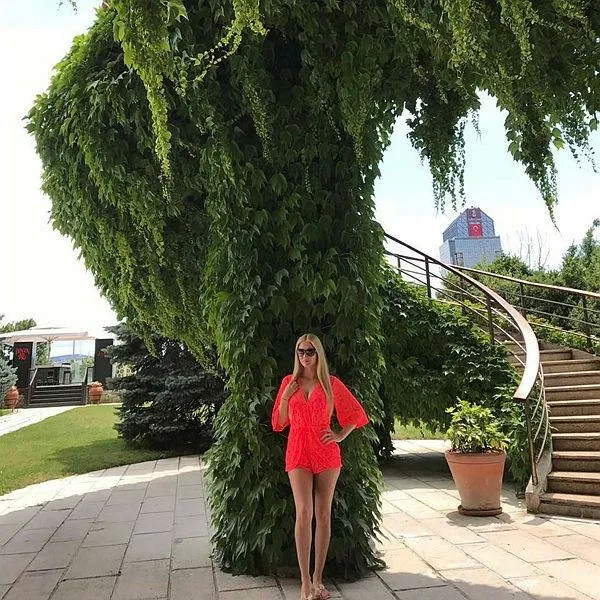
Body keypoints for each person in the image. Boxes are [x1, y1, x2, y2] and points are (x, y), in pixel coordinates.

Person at [272, 333, 369, 600]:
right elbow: (278, 423)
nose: (305, 356)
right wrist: (285, 398)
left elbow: (356, 414)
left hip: (325, 451)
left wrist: (340, 435)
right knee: (304, 512)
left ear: (318, 354)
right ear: (297, 354)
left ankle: (318, 580)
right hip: (298, 449)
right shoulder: (289, 383)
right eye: (301, 351)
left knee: (323, 514)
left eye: (310, 351)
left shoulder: (330, 383)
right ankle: (305, 583)